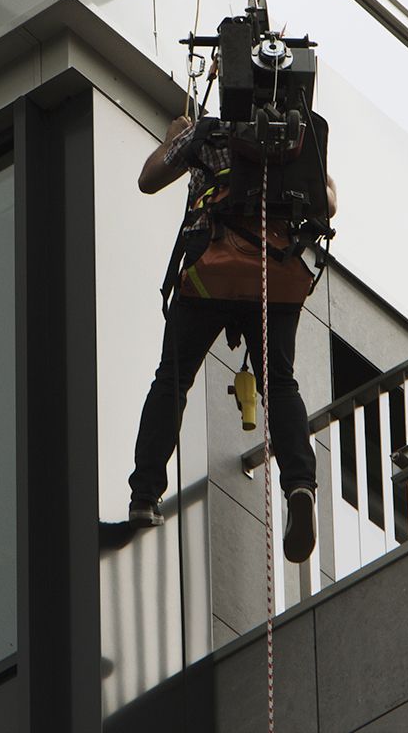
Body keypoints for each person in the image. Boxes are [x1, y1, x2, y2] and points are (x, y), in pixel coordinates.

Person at [127, 113, 335, 564]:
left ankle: (145, 493)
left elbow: (149, 179)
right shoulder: (301, 134)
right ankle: (300, 484)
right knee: (280, 383)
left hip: (212, 270)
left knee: (172, 379)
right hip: (274, 274)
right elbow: (329, 203)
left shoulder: (208, 131)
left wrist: (172, 140)